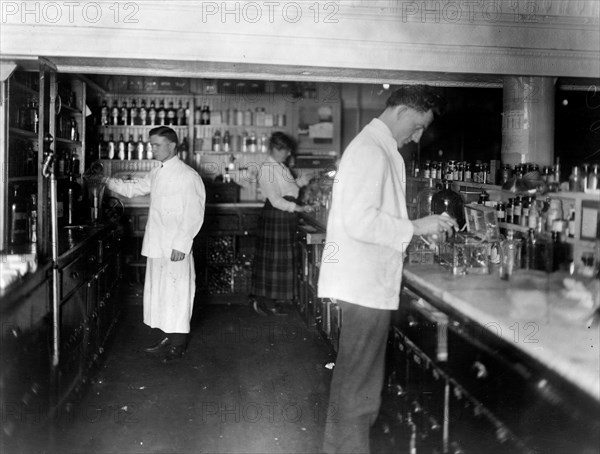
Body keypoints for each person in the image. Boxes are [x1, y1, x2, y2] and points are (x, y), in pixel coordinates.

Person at [318, 85, 458, 454]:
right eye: (418, 125)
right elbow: (360, 223)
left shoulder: (378, 148)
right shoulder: (370, 151)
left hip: (366, 282)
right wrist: (417, 227)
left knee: (357, 382)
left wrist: (410, 229)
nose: (419, 135)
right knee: (358, 388)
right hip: (364, 285)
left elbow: (373, 218)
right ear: (401, 111)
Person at [105, 126, 206, 363]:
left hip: (176, 247)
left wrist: (182, 244)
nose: (152, 149)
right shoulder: (157, 172)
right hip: (157, 243)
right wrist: (107, 181)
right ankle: (168, 337)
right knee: (160, 292)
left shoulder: (188, 175)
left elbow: (194, 213)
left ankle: (178, 344)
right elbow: (133, 189)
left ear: (172, 146)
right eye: (151, 144)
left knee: (178, 293)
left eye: (156, 145)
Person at [249, 132, 312, 316]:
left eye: (287, 150)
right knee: (273, 261)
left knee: (279, 261)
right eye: (284, 150)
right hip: (276, 215)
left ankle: (268, 301)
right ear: (274, 149)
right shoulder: (267, 168)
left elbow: (289, 189)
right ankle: (264, 302)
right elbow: (276, 200)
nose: (288, 154)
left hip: (284, 217)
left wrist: (302, 181)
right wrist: (298, 208)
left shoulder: (280, 166)